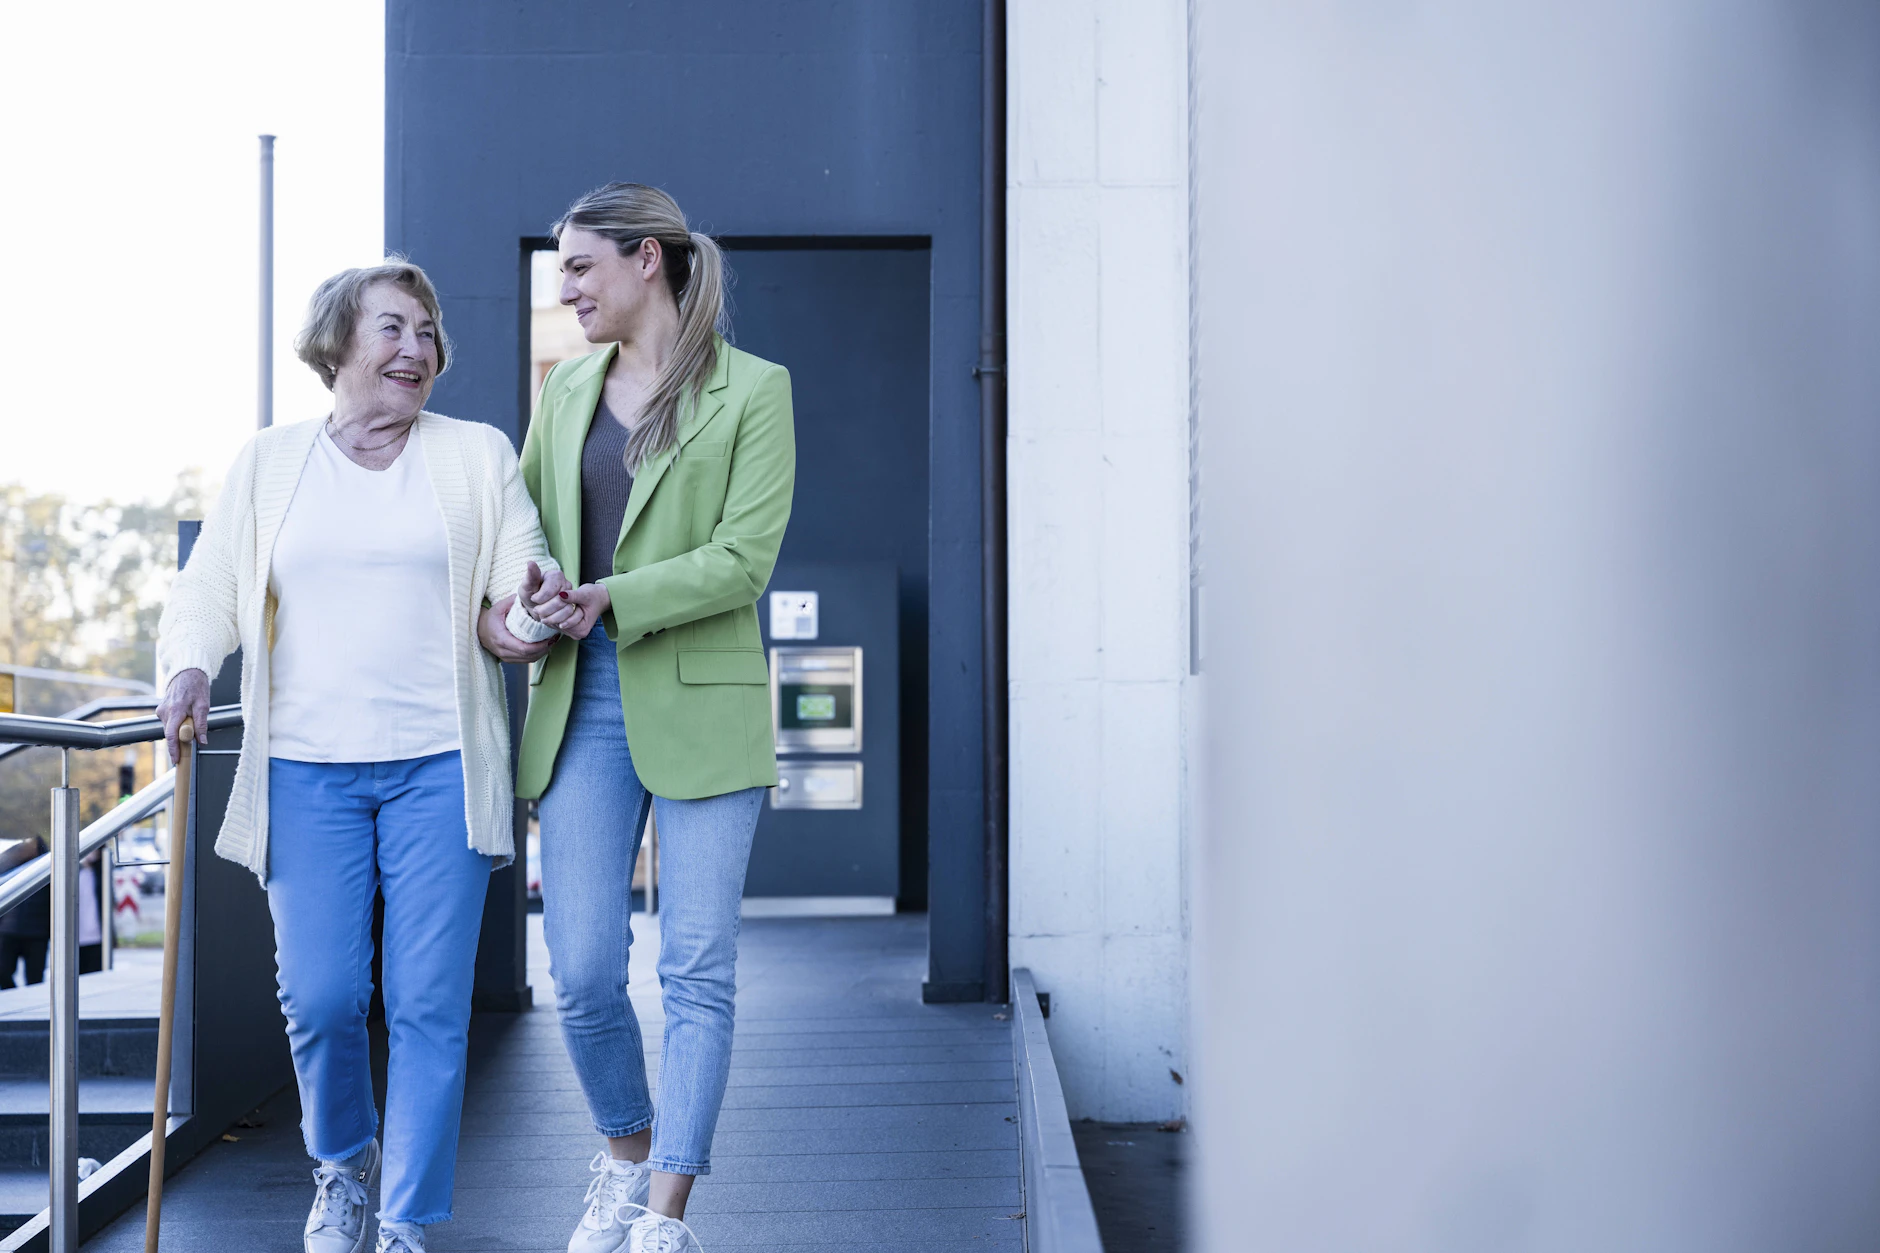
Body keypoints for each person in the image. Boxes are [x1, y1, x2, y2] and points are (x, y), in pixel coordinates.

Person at [156, 260, 560, 1253]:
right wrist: (189, 669)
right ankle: (342, 1167)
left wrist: (527, 617)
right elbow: (207, 591)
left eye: (427, 334)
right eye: (392, 329)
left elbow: (517, 590)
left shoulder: (472, 454)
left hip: (437, 765)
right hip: (303, 768)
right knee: (325, 996)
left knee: (428, 1003)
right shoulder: (270, 461)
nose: (415, 350)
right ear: (335, 344)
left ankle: (408, 1216)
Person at [482, 182, 794, 1253]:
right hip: (582, 696)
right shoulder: (564, 390)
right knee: (576, 966)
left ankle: (664, 1218)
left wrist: (612, 594)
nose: (564, 287)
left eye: (579, 266)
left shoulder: (754, 390)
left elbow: (742, 559)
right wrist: (531, 599)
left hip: (700, 695)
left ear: (646, 259)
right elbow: (526, 529)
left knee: (696, 968)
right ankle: (624, 1152)